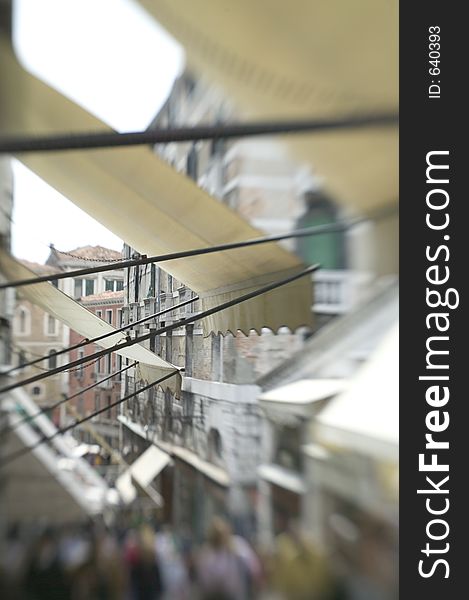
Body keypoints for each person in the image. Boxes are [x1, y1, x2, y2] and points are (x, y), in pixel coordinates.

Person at [196, 517, 249, 600]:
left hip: (231, 594)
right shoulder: (206, 552)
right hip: (212, 595)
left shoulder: (235, 547)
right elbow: (204, 577)